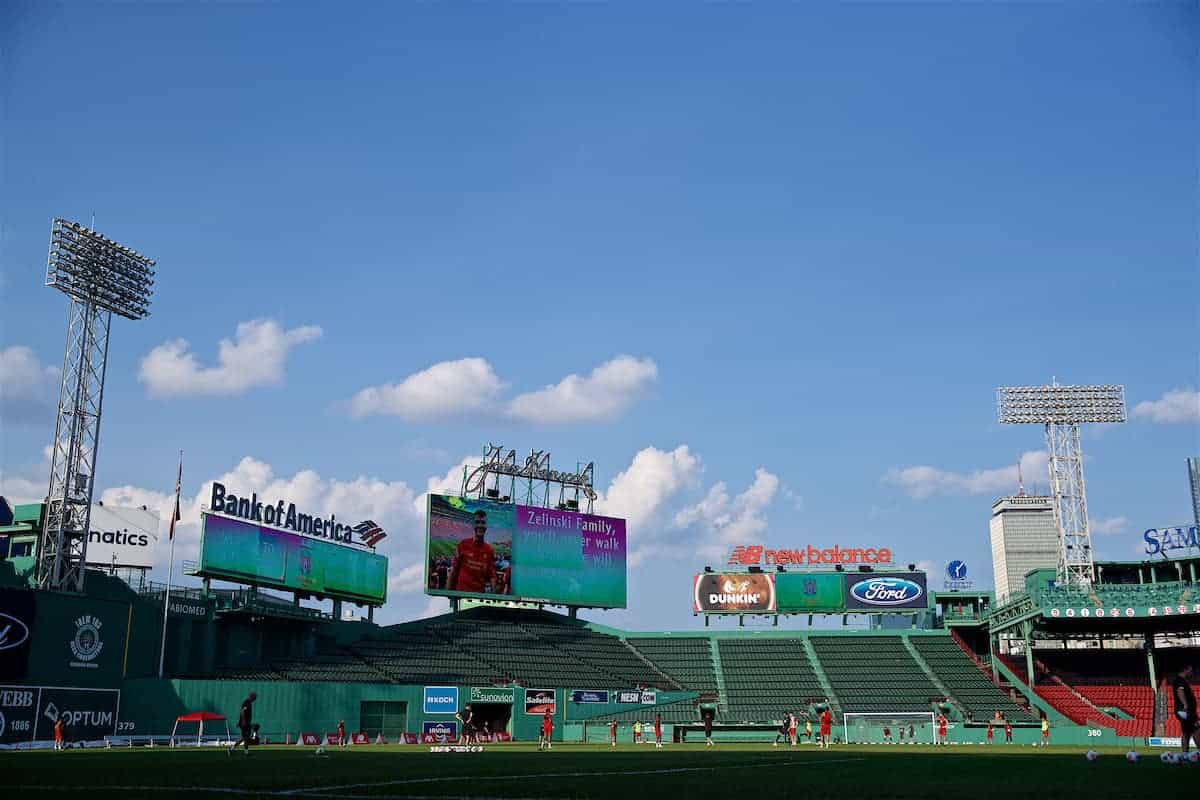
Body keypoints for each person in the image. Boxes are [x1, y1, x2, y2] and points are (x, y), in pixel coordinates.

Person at [448, 510, 499, 593]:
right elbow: (453, 570)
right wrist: (448, 593)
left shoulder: (489, 550)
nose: (480, 525)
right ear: (473, 525)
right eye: (477, 522)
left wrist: (495, 598)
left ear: (486, 526)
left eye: (483, 523)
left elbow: (492, 576)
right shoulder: (463, 544)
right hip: (461, 595)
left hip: (479, 596)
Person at [1173, 665, 1198, 754]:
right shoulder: (1180, 680)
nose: (1192, 672)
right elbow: (1180, 691)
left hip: (1185, 710)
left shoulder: (1180, 680)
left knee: (1187, 732)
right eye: (1190, 670)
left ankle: (1185, 754)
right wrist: (1185, 705)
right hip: (1186, 710)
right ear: (1185, 670)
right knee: (1196, 730)